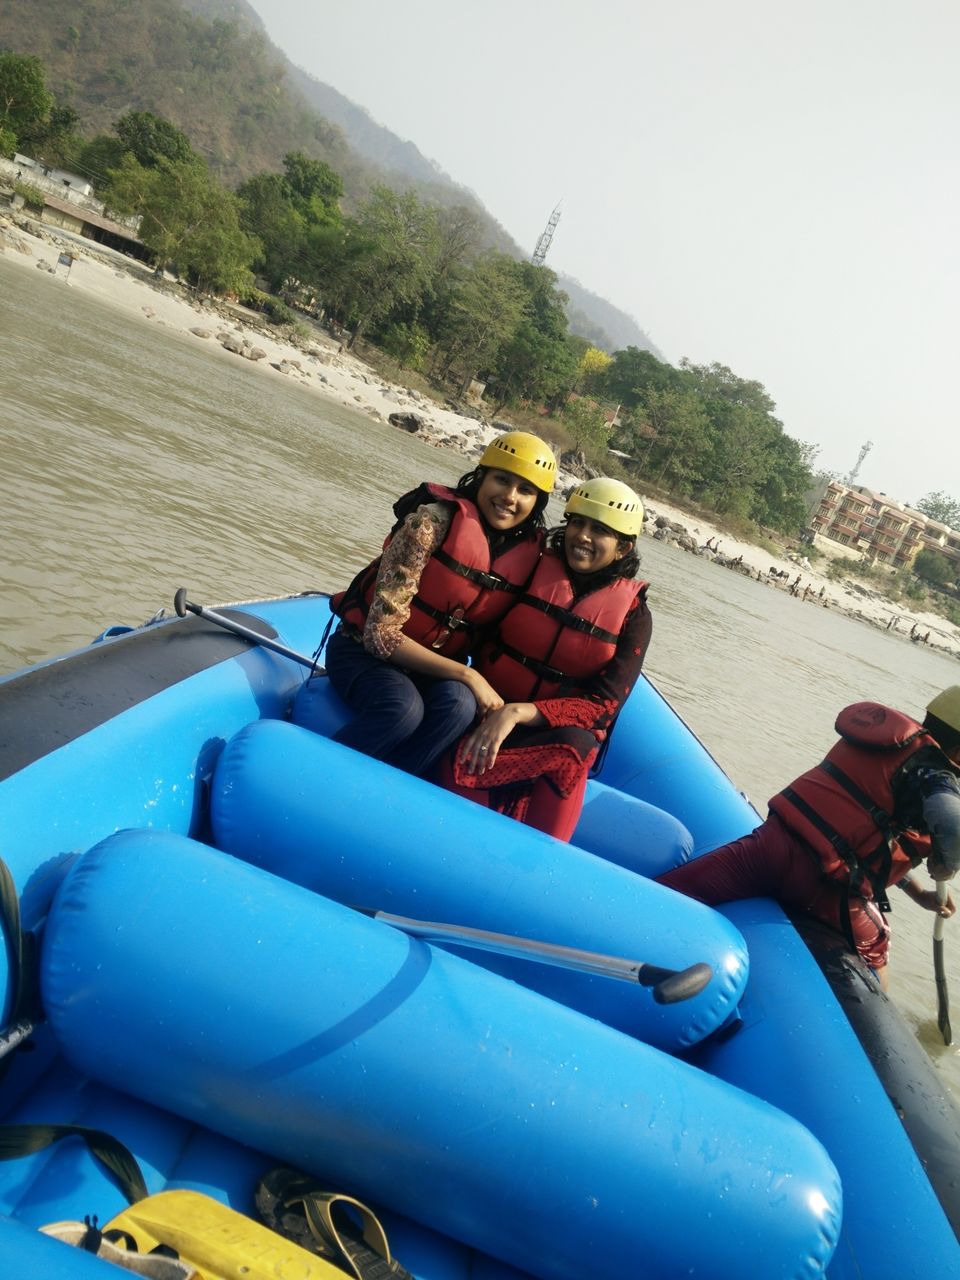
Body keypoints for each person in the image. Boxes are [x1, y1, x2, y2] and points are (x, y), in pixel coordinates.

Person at [294, 431, 556, 777]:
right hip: (362, 653)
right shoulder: (429, 524)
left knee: (459, 707)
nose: (509, 497)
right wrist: (467, 674)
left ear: (537, 502)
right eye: (502, 480)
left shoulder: (532, 558)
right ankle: (314, 779)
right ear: (482, 477)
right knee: (403, 708)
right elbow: (380, 636)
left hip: (430, 670)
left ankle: (389, 791)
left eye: (525, 490)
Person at [657, 690, 960, 988]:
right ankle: (872, 1019)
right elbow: (952, 824)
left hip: (768, 849)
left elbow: (861, 833)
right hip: (826, 889)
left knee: (668, 895)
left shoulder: (892, 743)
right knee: (877, 946)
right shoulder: (934, 775)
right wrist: (947, 864)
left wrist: (919, 892)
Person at [440, 478, 652, 841]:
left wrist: (519, 711)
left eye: (600, 530)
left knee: (576, 745)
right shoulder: (530, 570)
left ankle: (543, 862)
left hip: (545, 732)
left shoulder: (634, 616)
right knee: (449, 703)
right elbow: (475, 631)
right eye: (578, 523)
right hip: (485, 710)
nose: (582, 536)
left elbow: (602, 706)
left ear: (622, 549)